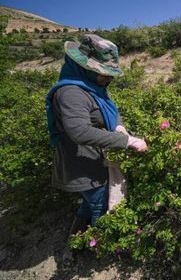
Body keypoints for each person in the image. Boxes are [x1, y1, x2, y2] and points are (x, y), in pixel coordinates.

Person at [45, 34, 148, 237]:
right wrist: (127, 140)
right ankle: (97, 246)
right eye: (104, 73)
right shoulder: (71, 92)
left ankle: (76, 238)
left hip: (95, 159)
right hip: (83, 163)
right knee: (100, 204)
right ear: (85, 68)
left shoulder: (92, 86)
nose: (109, 78)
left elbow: (110, 109)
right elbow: (79, 131)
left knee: (90, 200)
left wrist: (118, 127)